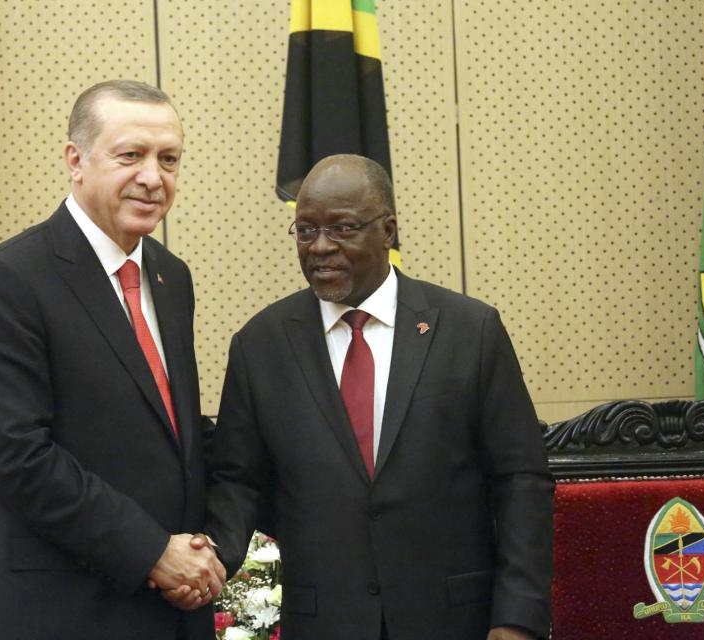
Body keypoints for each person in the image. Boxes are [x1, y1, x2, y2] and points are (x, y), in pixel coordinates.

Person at [175, 154, 554, 639]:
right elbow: (238, 481)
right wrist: (210, 560)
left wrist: (518, 616)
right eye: (306, 230)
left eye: (343, 229)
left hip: (454, 618)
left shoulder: (469, 330)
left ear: (388, 230)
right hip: (325, 622)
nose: (321, 248)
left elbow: (521, 478)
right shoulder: (261, 345)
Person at [0, 80, 224, 640]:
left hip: (169, 613)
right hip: (62, 610)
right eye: (131, 155)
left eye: (169, 159)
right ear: (75, 160)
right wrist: (152, 551)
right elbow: (16, 456)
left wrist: (203, 549)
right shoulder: (10, 278)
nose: (154, 178)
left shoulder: (170, 278)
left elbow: (171, 438)